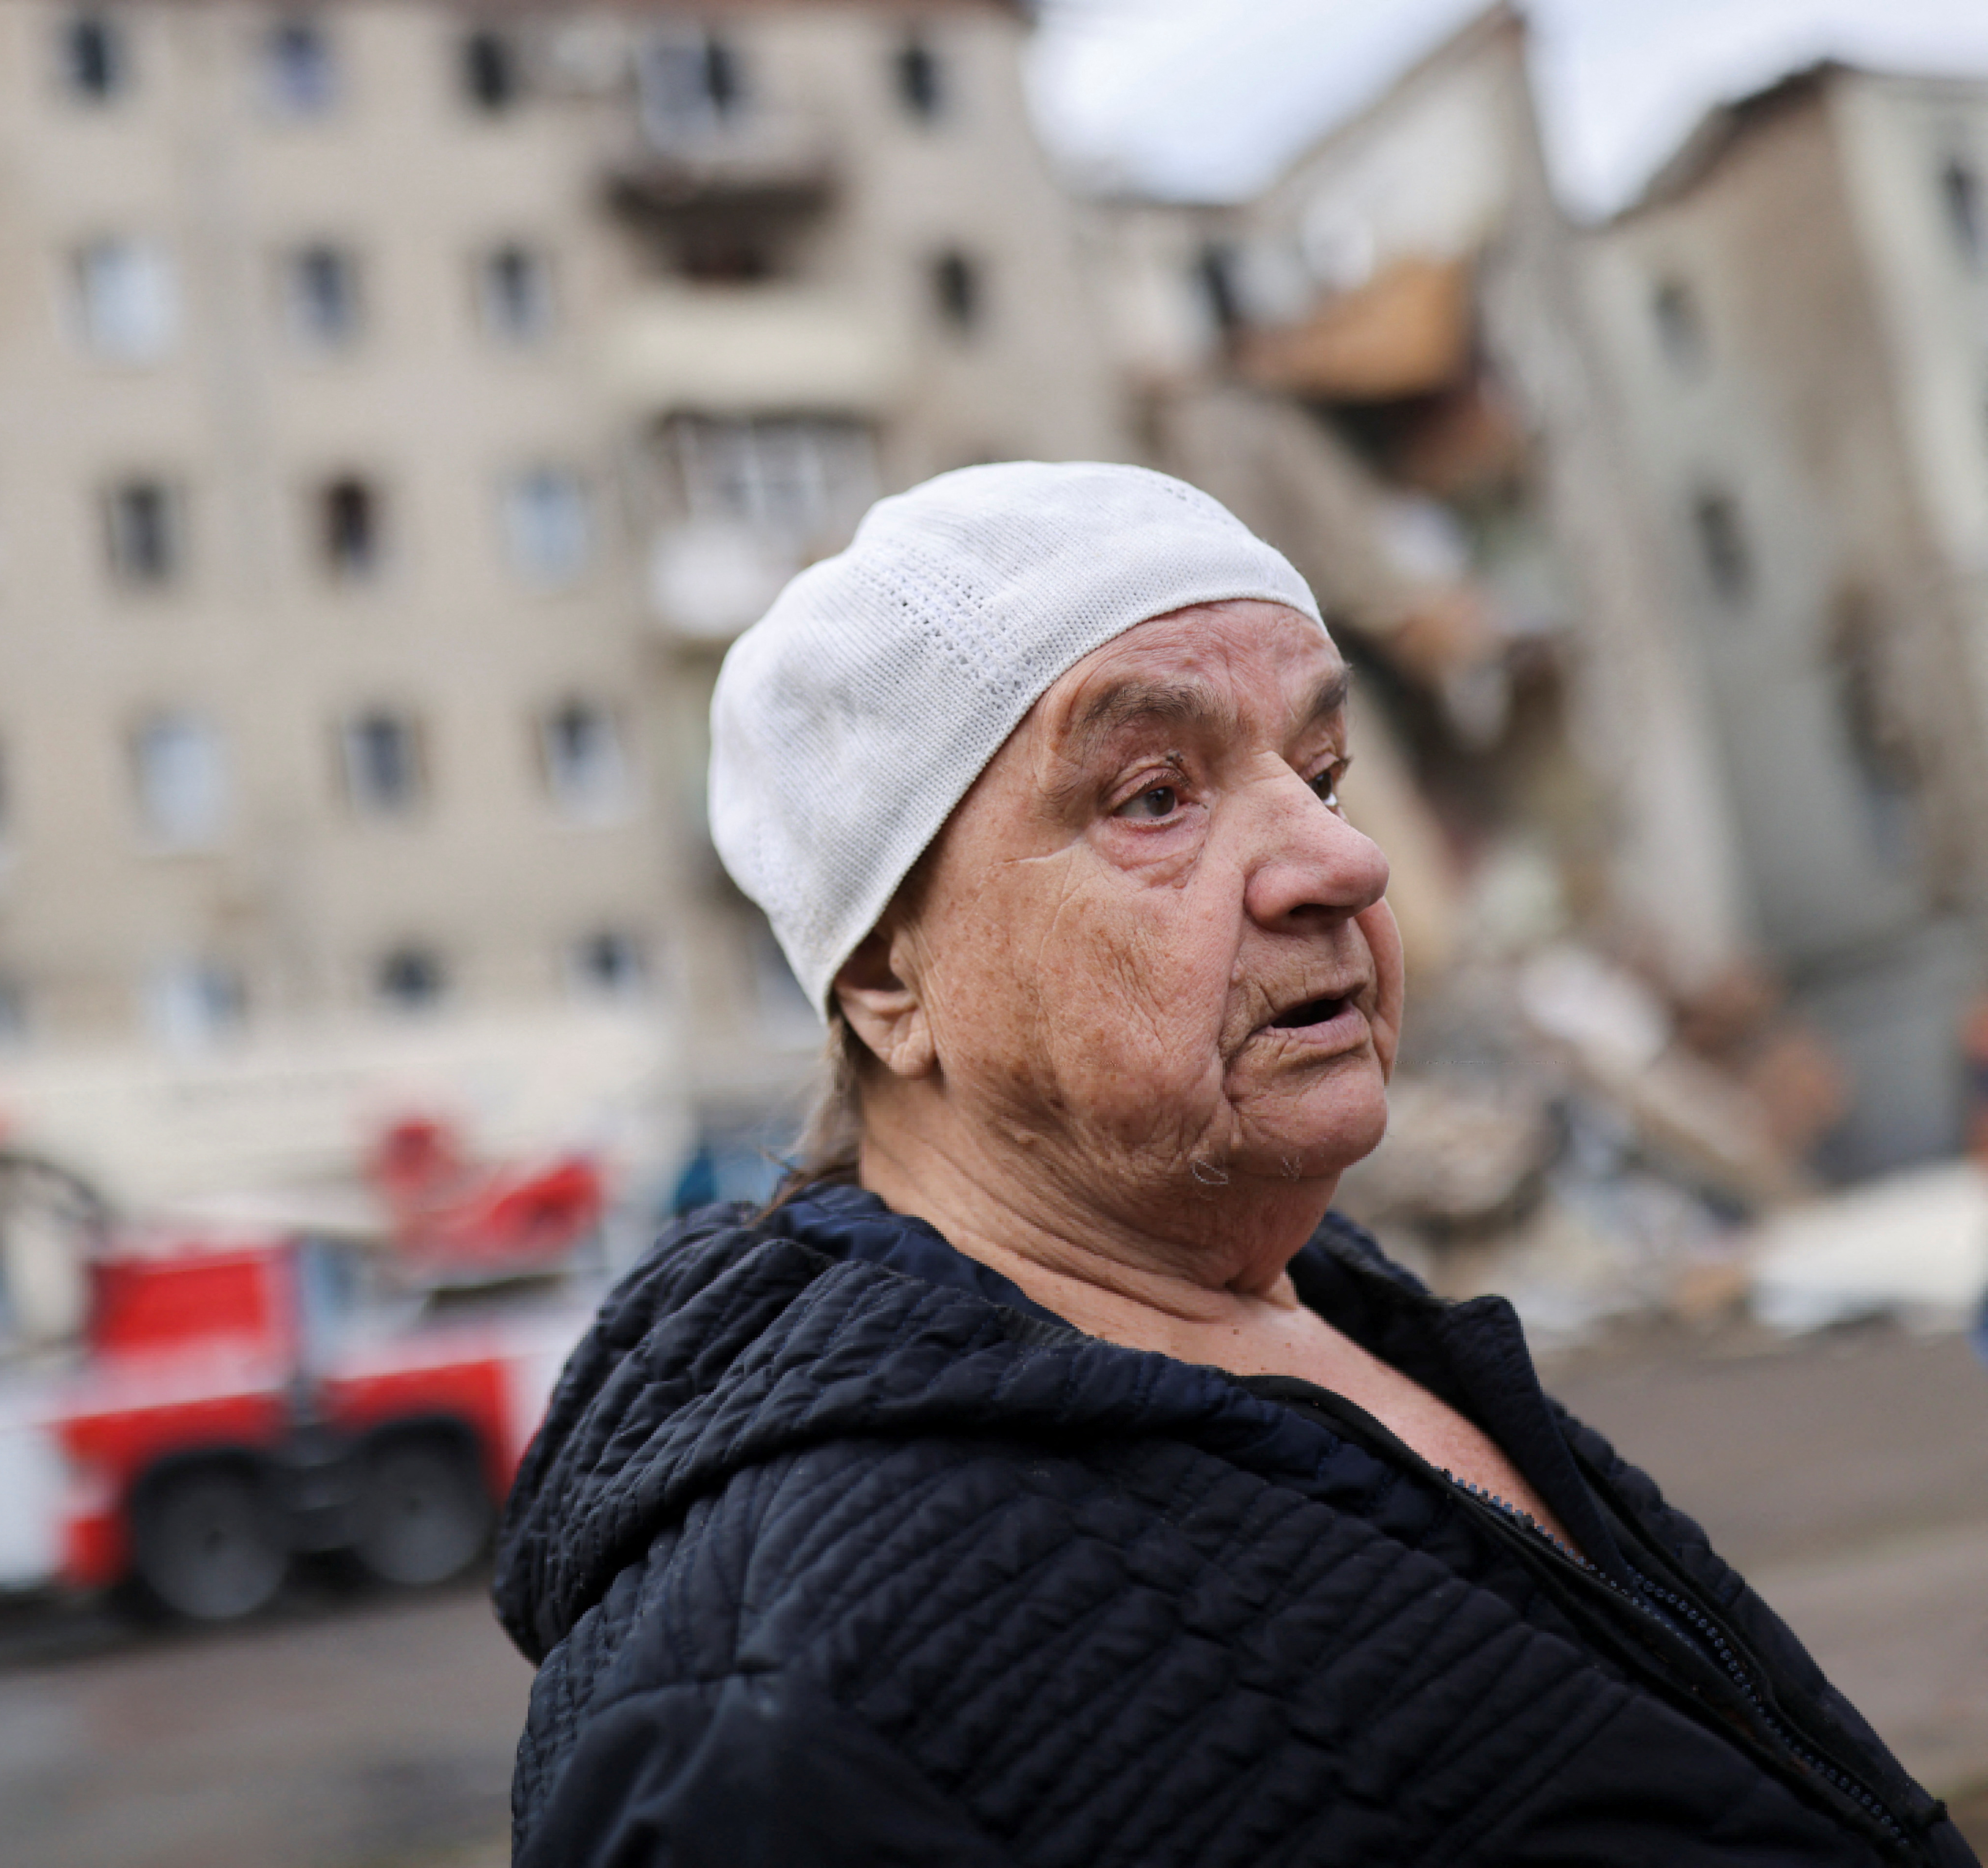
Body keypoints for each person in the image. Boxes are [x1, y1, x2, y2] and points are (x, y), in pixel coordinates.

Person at [492, 464, 1972, 1867]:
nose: (1341, 861)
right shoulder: (770, 1700)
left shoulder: (1349, 1310)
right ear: (886, 972)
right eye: (1154, 795)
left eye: (1320, 772)